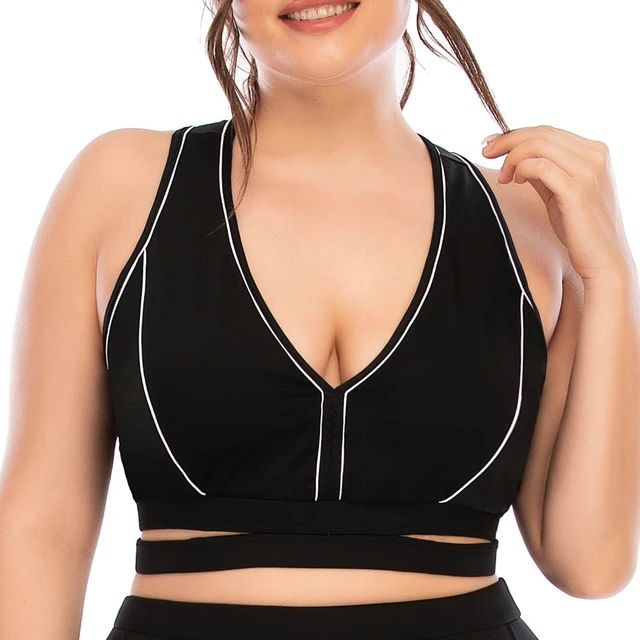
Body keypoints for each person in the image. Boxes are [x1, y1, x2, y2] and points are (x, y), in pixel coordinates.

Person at [1, 1, 638, 639]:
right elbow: (42, 527)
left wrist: (611, 275)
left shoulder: (530, 219)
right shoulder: (122, 188)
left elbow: (591, 564)